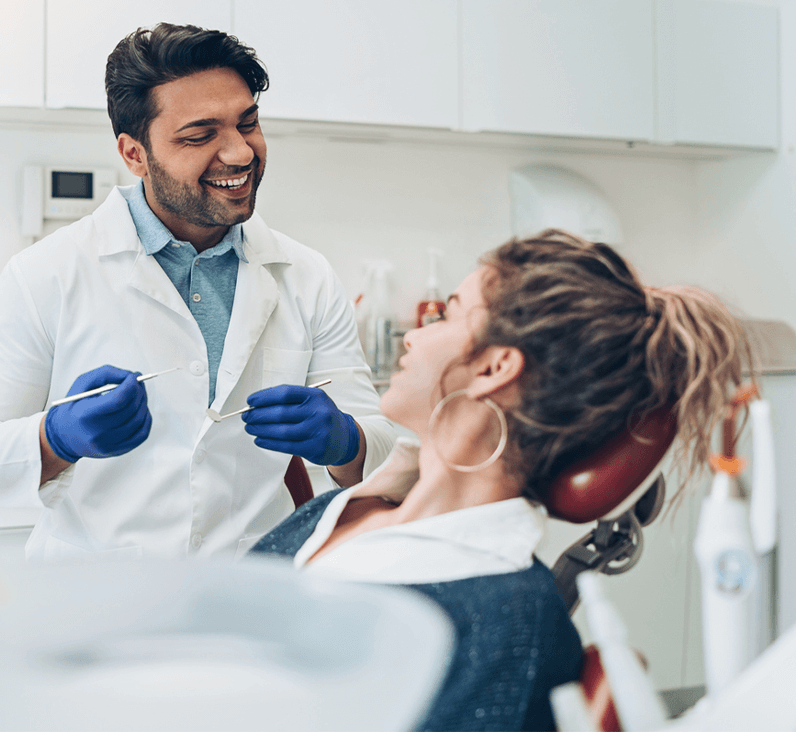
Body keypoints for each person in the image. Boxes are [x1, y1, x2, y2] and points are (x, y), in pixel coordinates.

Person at [250, 229, 752, 731]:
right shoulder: (341, 510)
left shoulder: (510, 626)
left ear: (495, 366)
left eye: (446, 313)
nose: (413, 335)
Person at [0, 23, 398, 561]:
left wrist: (346, 440)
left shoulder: (307, 275)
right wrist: (54, 439)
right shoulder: (47, 273)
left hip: (252, 592)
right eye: (200, 136)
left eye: (247, 124)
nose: (239, 153)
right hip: (97, 599)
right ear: (134, 154)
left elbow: (382, 459)